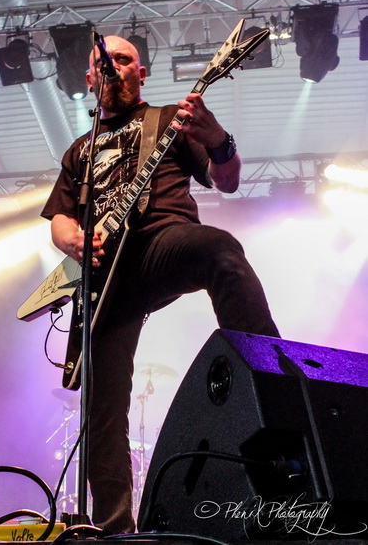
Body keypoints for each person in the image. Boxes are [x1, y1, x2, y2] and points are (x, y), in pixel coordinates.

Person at [41, 35, 280, 534]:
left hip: (160, 241)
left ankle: (272, 381)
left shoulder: (169, 119)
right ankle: (113, 530)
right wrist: (74, 241)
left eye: (123, 59)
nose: (113, 66)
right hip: (105, 276)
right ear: (89, 77)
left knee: (219, 250)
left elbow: (227, 180)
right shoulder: (79, 150)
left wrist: (219, 139)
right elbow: (60, 218)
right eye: (104, 62)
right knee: (101, 408)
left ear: (141, 71)